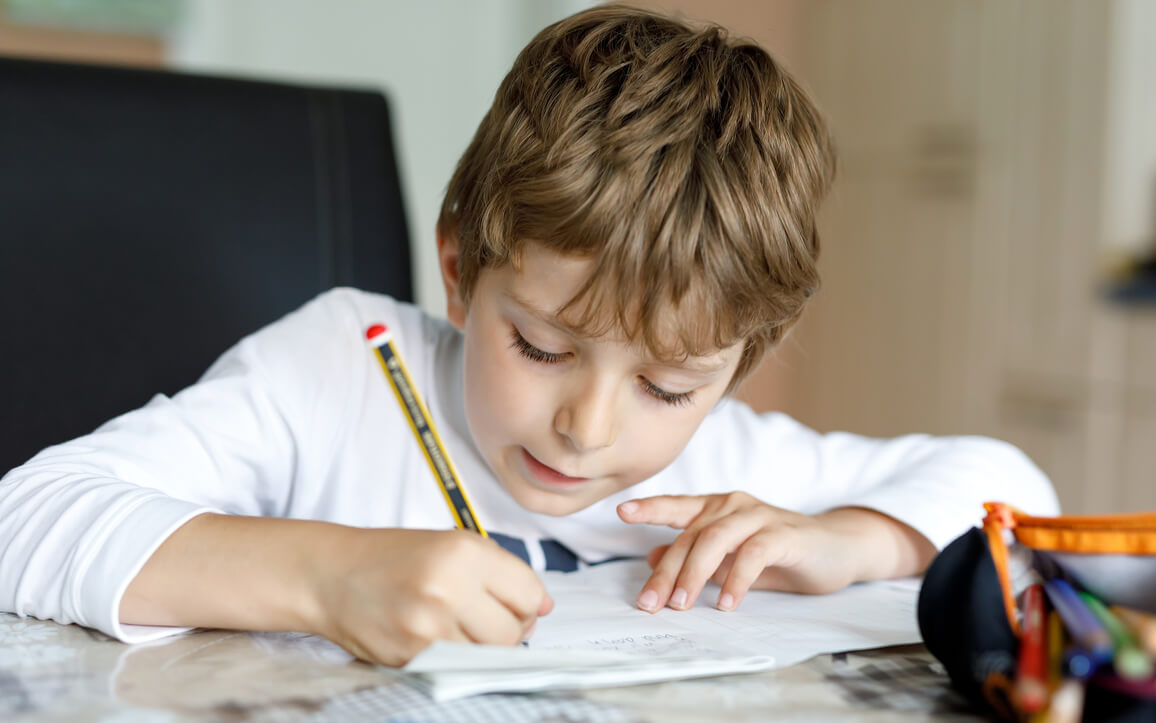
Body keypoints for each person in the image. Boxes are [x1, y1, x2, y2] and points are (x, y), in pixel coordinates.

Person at [0, 5, 1057, 667]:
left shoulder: (721, 468)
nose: (588, 426)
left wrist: (851, 540)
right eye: (543, 347)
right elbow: (25, 516)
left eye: (669, 384)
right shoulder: (339, 367)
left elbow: (1012, 487)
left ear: (743, 357)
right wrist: (328, 576)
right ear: (460, 270)